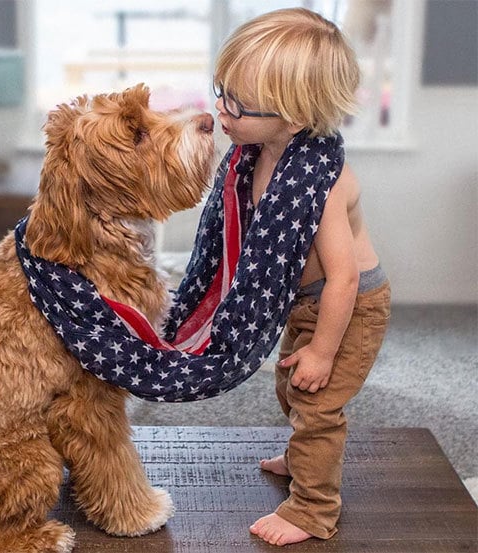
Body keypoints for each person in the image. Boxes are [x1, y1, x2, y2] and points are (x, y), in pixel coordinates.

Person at [210, 8, 391, 546]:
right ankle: (299, 457)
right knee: (290, 389)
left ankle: (313, 508)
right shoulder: (258, 152)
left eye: (236, 104)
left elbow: (344, 281)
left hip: (348, 307)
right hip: (304, 302)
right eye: (220, 89)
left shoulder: (324, 182)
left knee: (317, 404)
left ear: (291, 118)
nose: (221, 109)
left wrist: (324, 350)